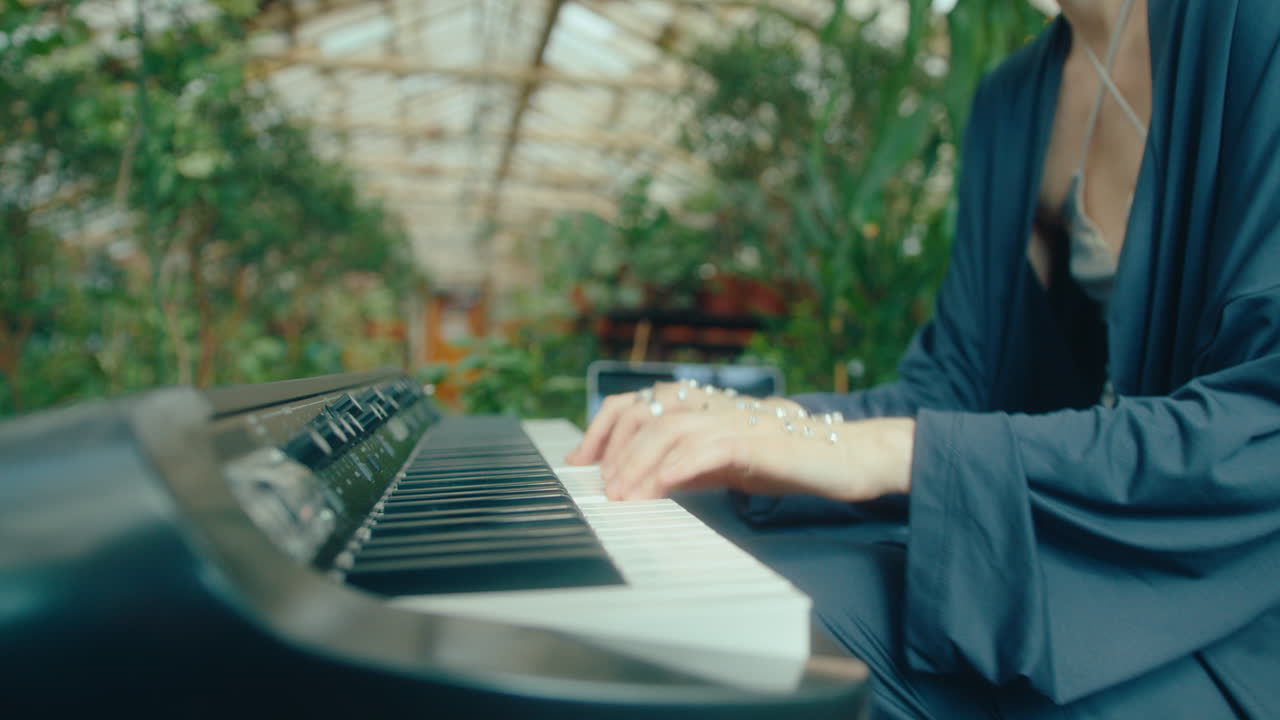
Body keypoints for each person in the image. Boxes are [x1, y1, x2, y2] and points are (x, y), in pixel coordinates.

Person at [564, 0, 1280, 717]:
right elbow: (962, 385)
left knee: (786, 639)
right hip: (1131, 549)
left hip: (1244, 602)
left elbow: (1263, 431)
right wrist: (759, 423)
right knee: (707, 546)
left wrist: (882, 450)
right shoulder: (1014, 99)